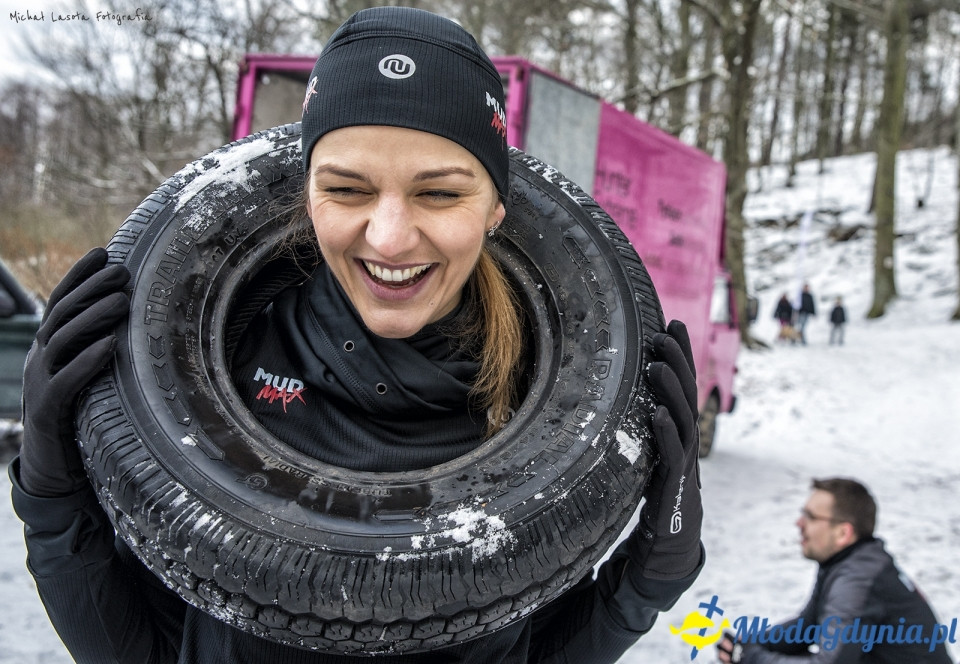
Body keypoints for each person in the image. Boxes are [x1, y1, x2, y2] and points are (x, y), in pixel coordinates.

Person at [10, 7, 704, 663]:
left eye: (439, 193)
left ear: (496, 206)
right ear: (306, 193)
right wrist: (52, 490)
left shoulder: (549, 411)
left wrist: (647, 577)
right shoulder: (220, 363)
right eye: (347, 189)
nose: (390, 238)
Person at [717, 477, 952, 664]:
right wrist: (753, 643)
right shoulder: (850, 563)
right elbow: (807, 626)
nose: (799, 523)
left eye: (810, 517)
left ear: (843, 533)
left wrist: (752, 657)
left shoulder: (857, 581)